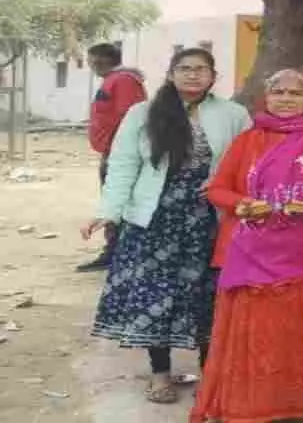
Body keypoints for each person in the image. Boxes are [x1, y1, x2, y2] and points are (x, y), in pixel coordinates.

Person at [191, 68, 303, 423]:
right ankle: (250, 407)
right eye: (278, 92)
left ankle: (300, 406)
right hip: (254, 254)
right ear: (266, 97)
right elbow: (218, 189)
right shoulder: (249, 140)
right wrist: (242, 205)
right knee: (259, 332)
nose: (285, 99)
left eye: (294, 93)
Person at [81, 49, 251, 405]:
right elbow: (124, 164)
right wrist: (109, 211)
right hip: (154, 221)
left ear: (213, 76)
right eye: (184, 68)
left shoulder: (234, 114)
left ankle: (210, 377)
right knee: (155, 298)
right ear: (171, 74)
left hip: (208, 220)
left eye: (201, 69)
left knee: (206, 298)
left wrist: (225, 183)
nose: (193, 75)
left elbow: (250, 163)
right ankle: (160, 375)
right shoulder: (142, 113)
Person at [77, 43, 148, 272]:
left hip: (119, 154)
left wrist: (120, 152)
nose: (91, 65)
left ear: (101, 60)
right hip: (111, 151)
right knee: (113, 200)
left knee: (119, 202)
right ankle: (115, 251)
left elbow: (130, 119)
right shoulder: (113, 80)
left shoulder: (124, 81)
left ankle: (117, 253)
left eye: (92, 61)